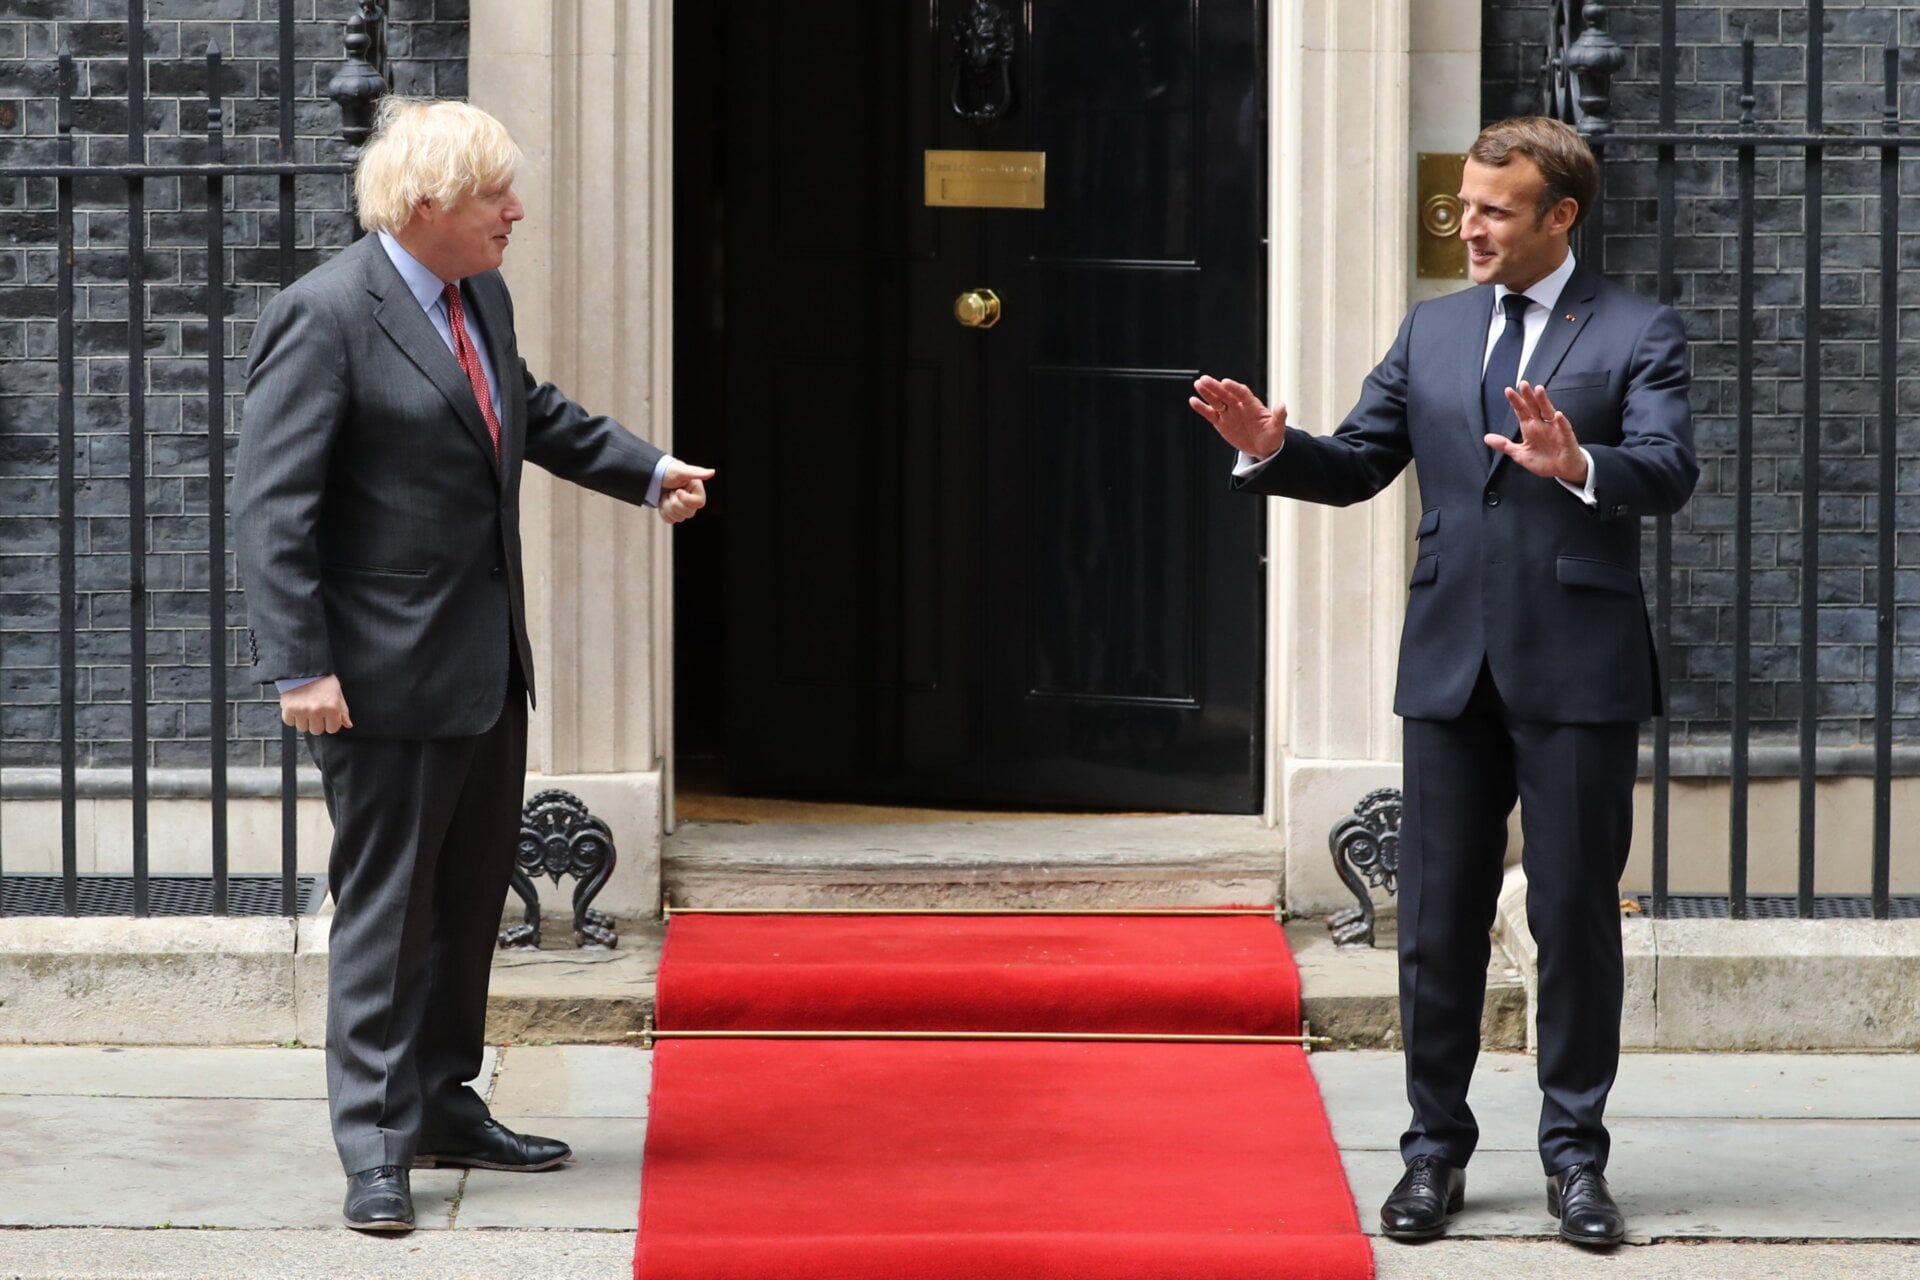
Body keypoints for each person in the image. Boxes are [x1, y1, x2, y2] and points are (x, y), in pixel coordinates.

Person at [1190, 117, 1696, 1248]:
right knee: (1432, 923)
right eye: (1463, 204)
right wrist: (1276, 447)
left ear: (1560, 216)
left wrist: (1581, 466)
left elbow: (1669, 469)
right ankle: (1434, 1153)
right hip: (1449, 668)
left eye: (1495, 208)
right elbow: (1364, 461)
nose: (1468, 225)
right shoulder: (1434, 331)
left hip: (1576, 669)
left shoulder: (1634, 329)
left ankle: (1575, 1159)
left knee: (1571, 919)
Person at [233, 96, 713, 1233]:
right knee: (388, 915)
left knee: (464, 900)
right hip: (382, 681)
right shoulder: (326, 315)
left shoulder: (476, 295)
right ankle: (377, 1144)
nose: (516, 211)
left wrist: (647, 472)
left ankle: (445, 1100)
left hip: (487, 666)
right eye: (495, 195)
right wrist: (301, 664)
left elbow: (528, 411)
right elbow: (272, 510)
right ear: (427, 205)